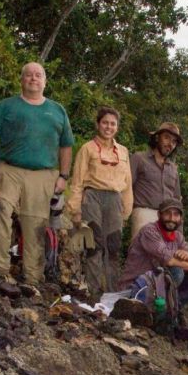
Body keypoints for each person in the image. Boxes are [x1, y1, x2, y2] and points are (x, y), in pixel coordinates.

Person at [0, 62, 75, 285]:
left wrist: (63, 176)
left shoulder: (58, 110)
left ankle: (32, 279)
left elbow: (66, 146)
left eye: (38, 75)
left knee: (36, 225)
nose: (33, 78)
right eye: (29, 75)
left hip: (43, 174)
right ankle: (0, 268)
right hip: (8, 168)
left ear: (45, 81)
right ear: (21, 80)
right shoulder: (6, 106)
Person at [67, 107, 132, 293]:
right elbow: (77, 181)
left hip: (114, 199)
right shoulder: (87, 149)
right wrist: (75, 209)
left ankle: (111, 294)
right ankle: (93, 293)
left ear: (117, 127)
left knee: (113, 247)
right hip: (92, 197)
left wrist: (126, 210)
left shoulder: (123, 151)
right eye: (105, 123)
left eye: (112, 124)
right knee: (94, 246)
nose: (108, 127)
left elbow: (127, 184)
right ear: (98, 124)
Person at [118, 198, 188, 294]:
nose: (172, 218)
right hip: (134, 286)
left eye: (176, 214)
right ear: (159, 215)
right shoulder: (149, 231)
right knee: (177, 271)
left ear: (181, 218)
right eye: (167, 213)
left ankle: (172, 306)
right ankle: (155, 305)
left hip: (154, 284)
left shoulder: (178, 236)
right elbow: (169, 261)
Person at [129, 122, 182, 240]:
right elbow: (127, 187)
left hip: (168, 218)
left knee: (167, 256)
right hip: (144, 213)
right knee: (142, 254)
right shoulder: (139, 158)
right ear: (157, 137)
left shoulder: (173, 168)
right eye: (167, 137)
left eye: (174, 141)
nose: (170, 144)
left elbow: (177, 200)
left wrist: (178, 227)